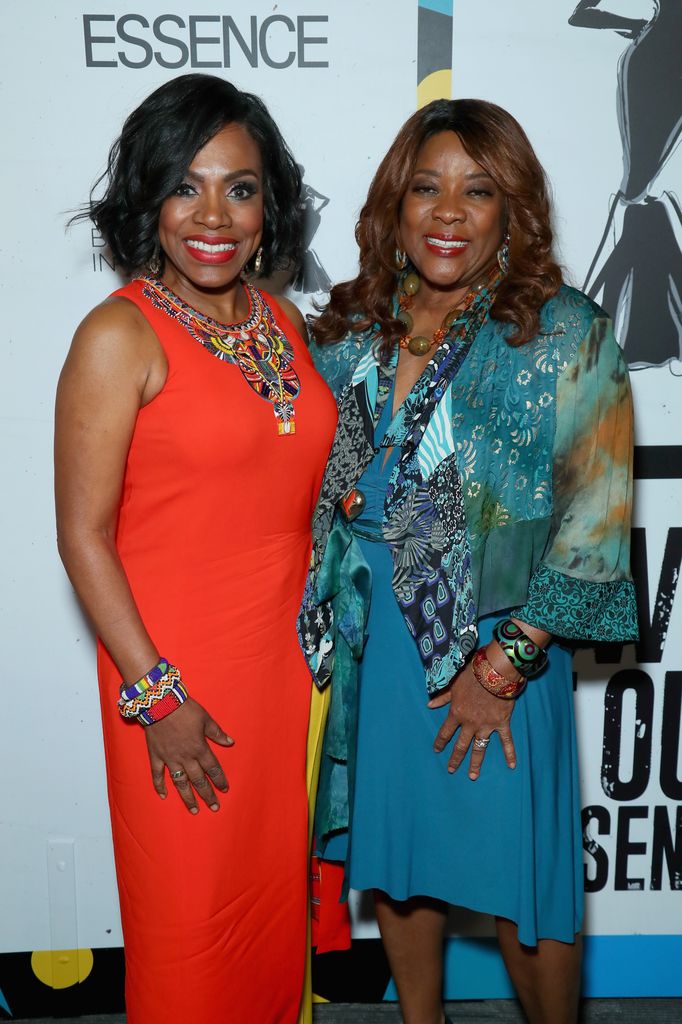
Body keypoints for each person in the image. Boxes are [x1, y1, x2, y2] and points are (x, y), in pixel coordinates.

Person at [298, 99, 638, 1024]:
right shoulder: (348, 327)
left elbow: (599, 516)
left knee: (525, 880)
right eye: (427, 188)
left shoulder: (562, 331)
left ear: (510, 210)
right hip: (378, 646)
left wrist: (508, 664)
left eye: (477, 191)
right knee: (399, 859)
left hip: (498, 643)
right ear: (395, 205)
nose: (448, 213)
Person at [55, 73, 337, 1024]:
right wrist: (157, 694)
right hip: (178, 682)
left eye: (240, 188)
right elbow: (83, 535)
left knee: (270, 921)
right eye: (186, 185)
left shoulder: (282, 321)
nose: (214, 215)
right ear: (149, 198)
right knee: (189, 932)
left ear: (269, 204)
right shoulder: (118, 335)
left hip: (287, 678)